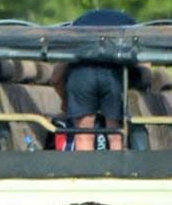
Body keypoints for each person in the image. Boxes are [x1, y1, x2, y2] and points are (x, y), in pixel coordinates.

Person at [51, 9, 137, 150]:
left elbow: (55, 77)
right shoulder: (129, 25)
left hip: (81, 75)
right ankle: (117, 170)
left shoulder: (76, 29)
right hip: (113, 74)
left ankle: (86, 171)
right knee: (116, 134)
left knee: (83, 134)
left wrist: (65, 100)